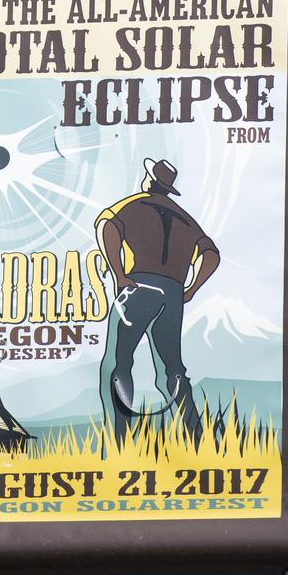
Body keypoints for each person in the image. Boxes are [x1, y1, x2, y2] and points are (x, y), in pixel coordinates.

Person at [95, 157, 220, 446]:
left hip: (140, 285)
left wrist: (119, 275)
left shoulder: (136, 204)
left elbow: (107, 226)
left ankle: (118, 443)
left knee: (118, 363)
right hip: (173, 292)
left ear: (149, 181)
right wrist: (190, 289)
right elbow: (211, 253)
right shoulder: (186, 218)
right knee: (173, 370)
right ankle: (199, 440)